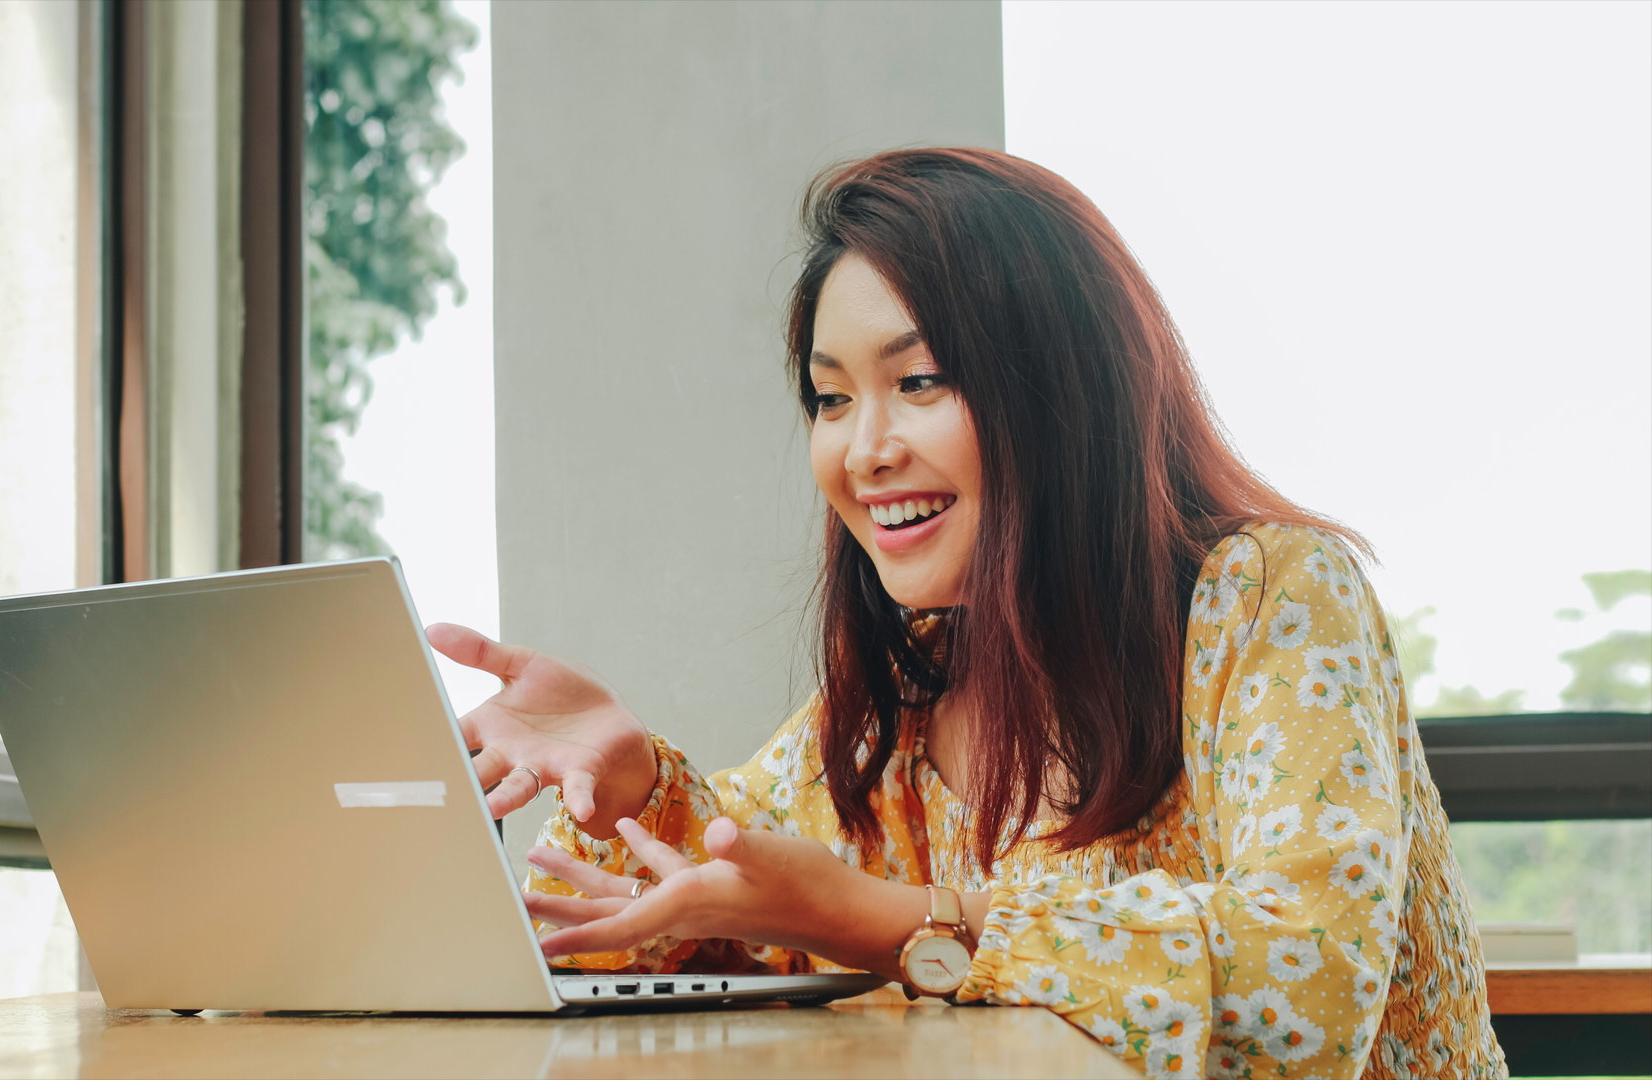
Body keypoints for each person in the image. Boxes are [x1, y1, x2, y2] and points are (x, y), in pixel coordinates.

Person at [428, 149, 1503, 1079]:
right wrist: (632, 789)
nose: (864, 450)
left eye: (923, 380)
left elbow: (1305, 986)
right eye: (831, 396)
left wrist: (899, 925)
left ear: (1065, 389)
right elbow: (750, 899)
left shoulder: (1270, 592)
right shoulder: (908, 686)